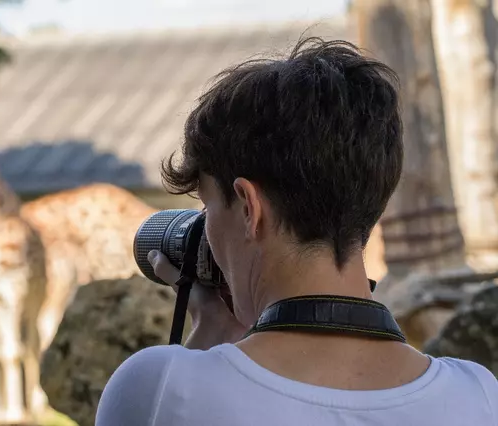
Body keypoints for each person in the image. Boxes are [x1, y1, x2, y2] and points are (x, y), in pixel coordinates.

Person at [95, 37, 498, 425]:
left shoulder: (158, 388)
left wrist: (212, 334)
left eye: (207, 207)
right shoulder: (478, 395)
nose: (205, 230)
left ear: (249, 207)